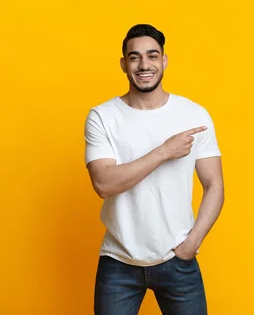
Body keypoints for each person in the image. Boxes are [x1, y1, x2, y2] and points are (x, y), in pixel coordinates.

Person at [83, 24, 225, 315]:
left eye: (152, 55)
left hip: (178, 261)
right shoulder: (102, 116)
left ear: (164, 60)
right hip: (118, 261)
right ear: (124, 64)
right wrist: (163, 152)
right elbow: (103, 184)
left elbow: (215, 185)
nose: (144, 64)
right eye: (134, 57)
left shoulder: (194, 114)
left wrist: (191, 244)